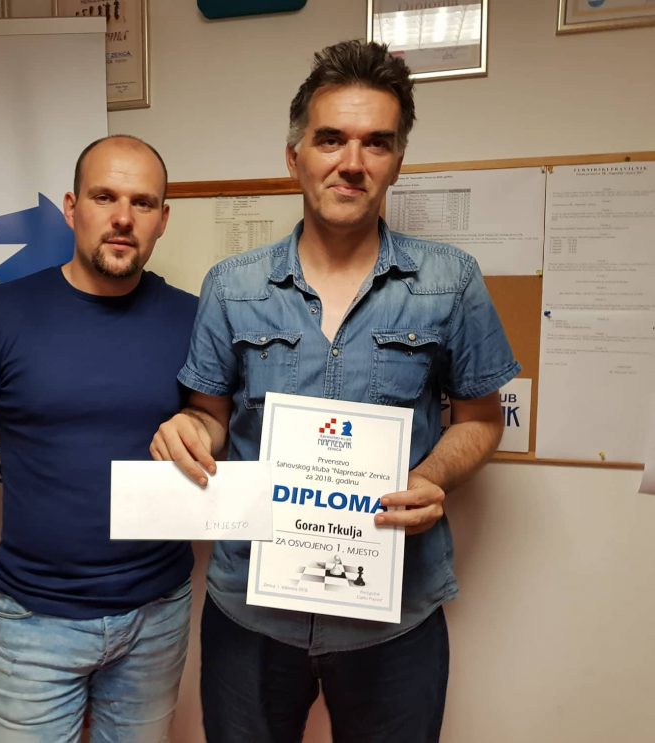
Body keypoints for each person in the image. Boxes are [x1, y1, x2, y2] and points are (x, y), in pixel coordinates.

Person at [151, 40, 520, 742]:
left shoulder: (451, 281)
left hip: (395, 613)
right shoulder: (232, 286)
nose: (352, 162)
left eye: (376, 142)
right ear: (294, 157)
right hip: (252, 610)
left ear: (397, 161)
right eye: (330, 139)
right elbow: (209, 415)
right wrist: (188, 432)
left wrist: (431, 476)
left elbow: (480, 417)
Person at [0, 135, 197, 743]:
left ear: (162, 219)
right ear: (72, 209)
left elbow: (215, 428)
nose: (123, 217)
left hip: (157, 613)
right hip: (36, 619)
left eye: (143, 203)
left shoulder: (192, 319)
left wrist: (201, 426)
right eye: (104, 197)